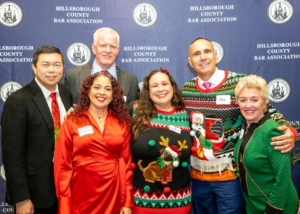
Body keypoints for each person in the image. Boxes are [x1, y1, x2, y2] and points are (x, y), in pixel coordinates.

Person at [181, 37, 298, 214]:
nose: (203, 57)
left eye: (207, 51)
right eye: (196, 54)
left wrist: (290, 133)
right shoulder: (186, 90)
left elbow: (268, 112)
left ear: (216, 54)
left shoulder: (238, 82)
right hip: (198, 178)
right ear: (190, 62)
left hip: (230, 178)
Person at [1, 45, 72, 214]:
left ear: (63, 67)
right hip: (35, 193)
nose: (52, 70)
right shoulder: (18, 101)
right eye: (45, 64)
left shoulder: (65, 93)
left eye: (57, 65)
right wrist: (21, 198)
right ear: (34, 67)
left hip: (65, 188)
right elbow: (12, 155)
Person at [54, 71, 134, 214]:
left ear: (114, 94)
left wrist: (127, 201)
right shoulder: (72, 121)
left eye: (108, 89)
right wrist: (65, 205)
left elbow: (127, 164)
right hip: (82, 194)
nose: (102, 92)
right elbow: (62, 166)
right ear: (88, 90)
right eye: (97, 87)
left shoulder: (122, 122)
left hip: (114, 193)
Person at [234, 74, 298, 214]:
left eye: (254, 100)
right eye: (243, 100)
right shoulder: (245, 127)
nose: (248, 105)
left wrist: (272, 210)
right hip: (254, 206)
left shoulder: (273, 131)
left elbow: (282, 179)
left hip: (277, 207)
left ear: (265, 102)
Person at [131, 68, 192, 213]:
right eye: (154, 85)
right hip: (142, 201)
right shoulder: (135, 111)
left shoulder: (185, 115)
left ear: (172, 87)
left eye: (164, 84)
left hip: (179, 201)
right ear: (147, 91)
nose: (160, 89)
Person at [64, 27, 140, 105]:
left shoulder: (131, 80)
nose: (108, 51)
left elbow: (135, 113)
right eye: (103, 45)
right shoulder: (73, 76)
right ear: (94, 48)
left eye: (112, 47)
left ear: (117, 50)